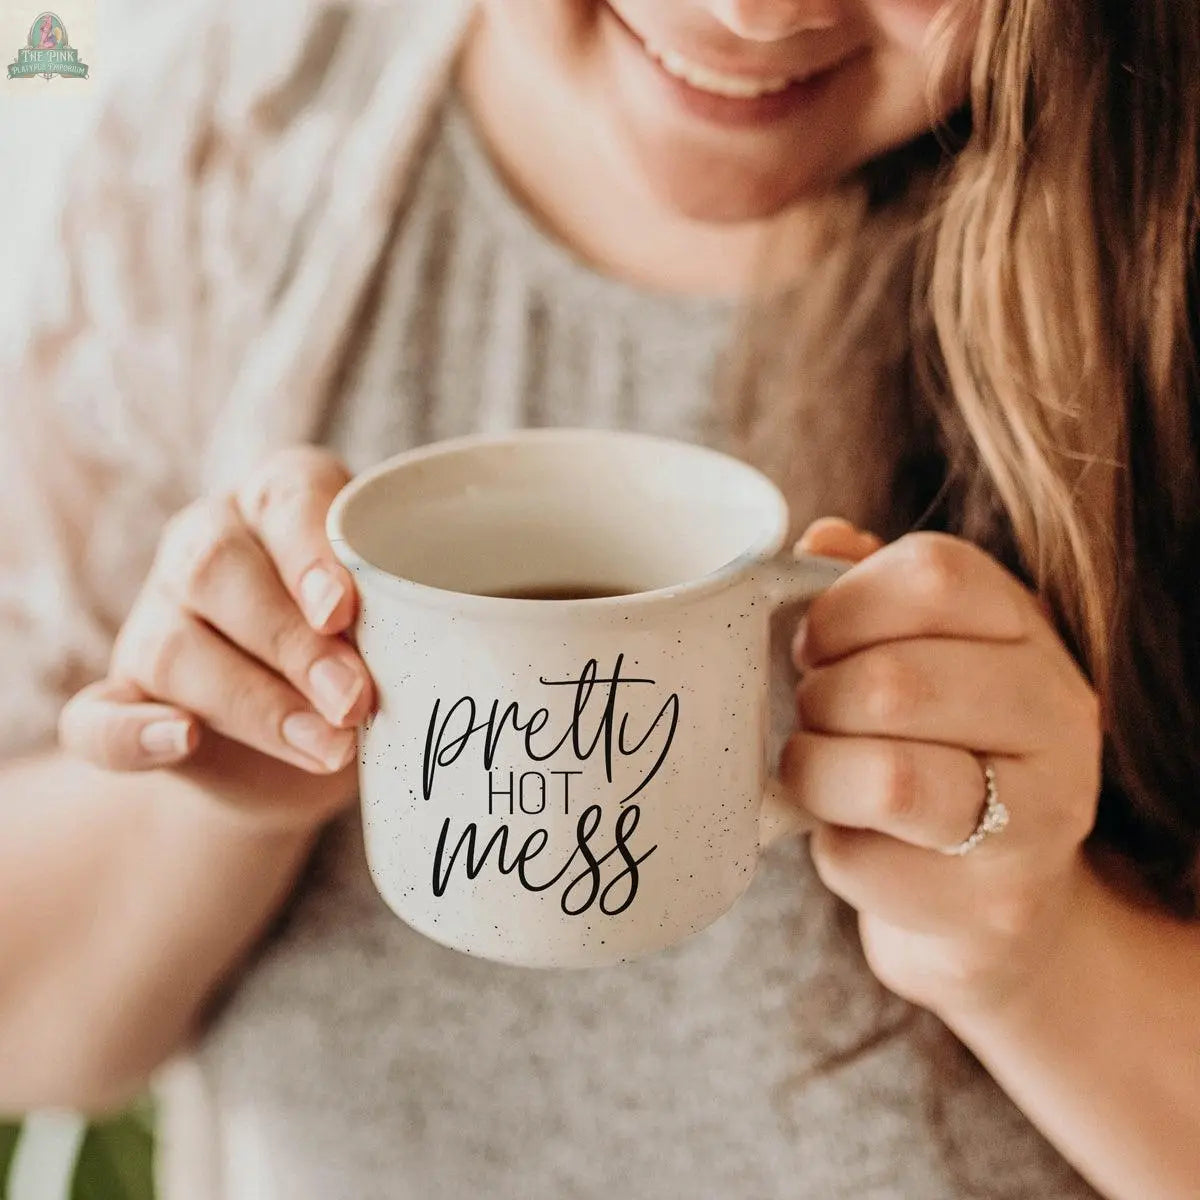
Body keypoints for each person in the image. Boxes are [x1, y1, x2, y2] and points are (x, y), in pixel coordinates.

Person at [1, 0, 1197, 1197]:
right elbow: (28, 1026)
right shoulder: (234, 149)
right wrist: (221, 795)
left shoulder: (1159, 236)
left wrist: (1037, 956)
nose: (754, 14)